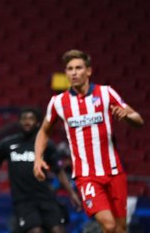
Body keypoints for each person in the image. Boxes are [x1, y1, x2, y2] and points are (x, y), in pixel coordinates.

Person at [34, 49, 144, 233]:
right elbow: (44, 131)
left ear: (88, 71)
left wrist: (127, 116)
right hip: (86, 176)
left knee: (120, 229)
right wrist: (38, 158)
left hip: (114, 172)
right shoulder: (58, 102)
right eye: (70, 69)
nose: (74, 72)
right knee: (108, 225)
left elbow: (138, 120)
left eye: (78, 68)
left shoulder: (106, 93)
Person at [0, 107, 81, 233]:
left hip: (46, 198)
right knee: (35, 231)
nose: (27, 122)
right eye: (24, 119)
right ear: (19, 122)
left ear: (38, 123)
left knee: (59, 230)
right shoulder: (7, 144)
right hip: (23, 201)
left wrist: (72, 194)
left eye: (31, 119)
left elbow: (59, 171)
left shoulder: (46, 144)